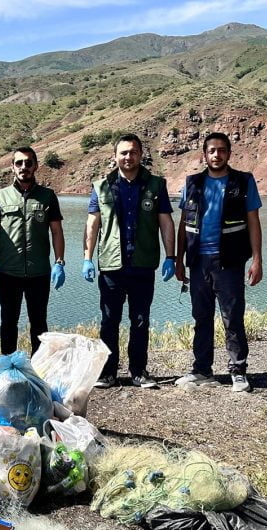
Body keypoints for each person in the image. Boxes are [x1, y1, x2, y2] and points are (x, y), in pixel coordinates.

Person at [83, 134, 175, 389]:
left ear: (141, 154)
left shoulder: (156, 185)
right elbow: (93, 223)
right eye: (123, 153)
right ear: (115, 156)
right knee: (109, 321)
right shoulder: (101, 186)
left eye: (133, 152)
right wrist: (87, 259)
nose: (128, 157)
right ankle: (107, 373)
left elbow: (165, 221)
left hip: (143, 264)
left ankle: (139, 371)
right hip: (112, 265)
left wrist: (171, 256)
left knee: (140, 320)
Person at [174, 132, 264, 392]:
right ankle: (202, 369)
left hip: (230, 262)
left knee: (232, 317)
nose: (216, 155)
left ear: (229, 154)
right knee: (201, 317)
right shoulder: (193, 183)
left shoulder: (243, 182)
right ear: (205, 154)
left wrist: (257, 259)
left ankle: (238, 371)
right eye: (212, 150)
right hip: (198, 261)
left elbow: (253, 222)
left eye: (222, 150)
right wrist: (179, 260)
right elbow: (183, 224)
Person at [0, 146, 66, 355]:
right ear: (12, 167)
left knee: (39, 323)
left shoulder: (48, 197)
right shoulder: (0, 197)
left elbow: (56, 231)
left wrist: (59, 262)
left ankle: (39, 369)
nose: (24, 167)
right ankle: (8, 367)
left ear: (36, 166)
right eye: (19, 163)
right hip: (9, 272)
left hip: (39, 272)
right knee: (8, 322)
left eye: (28, 163)